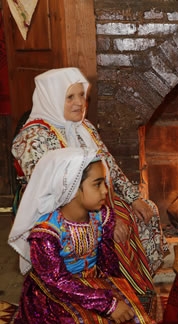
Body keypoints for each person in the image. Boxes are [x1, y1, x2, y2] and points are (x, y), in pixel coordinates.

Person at [11, 67, 169, 276]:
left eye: (81, 95)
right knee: (113, 231)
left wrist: (134, 199)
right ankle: (105, 287)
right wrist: (107, 219)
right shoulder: (33, 137)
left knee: (146, 210)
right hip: (56, 211)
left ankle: (141, 282)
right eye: (70, 97)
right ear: (51, 98)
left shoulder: (85, 127)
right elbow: (52, 192)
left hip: (92, 197)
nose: (79, 102)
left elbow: (109, 165)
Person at [3, 147, 158, 324]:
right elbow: (58, 282)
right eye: (97, 184)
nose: (105, 191)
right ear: (72, 187)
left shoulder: (101, 217)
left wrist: (119, 294)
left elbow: (108, 263)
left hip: (93, 286)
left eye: (105, 183)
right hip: (54, 297)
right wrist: (108, 305)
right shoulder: (47, 233)